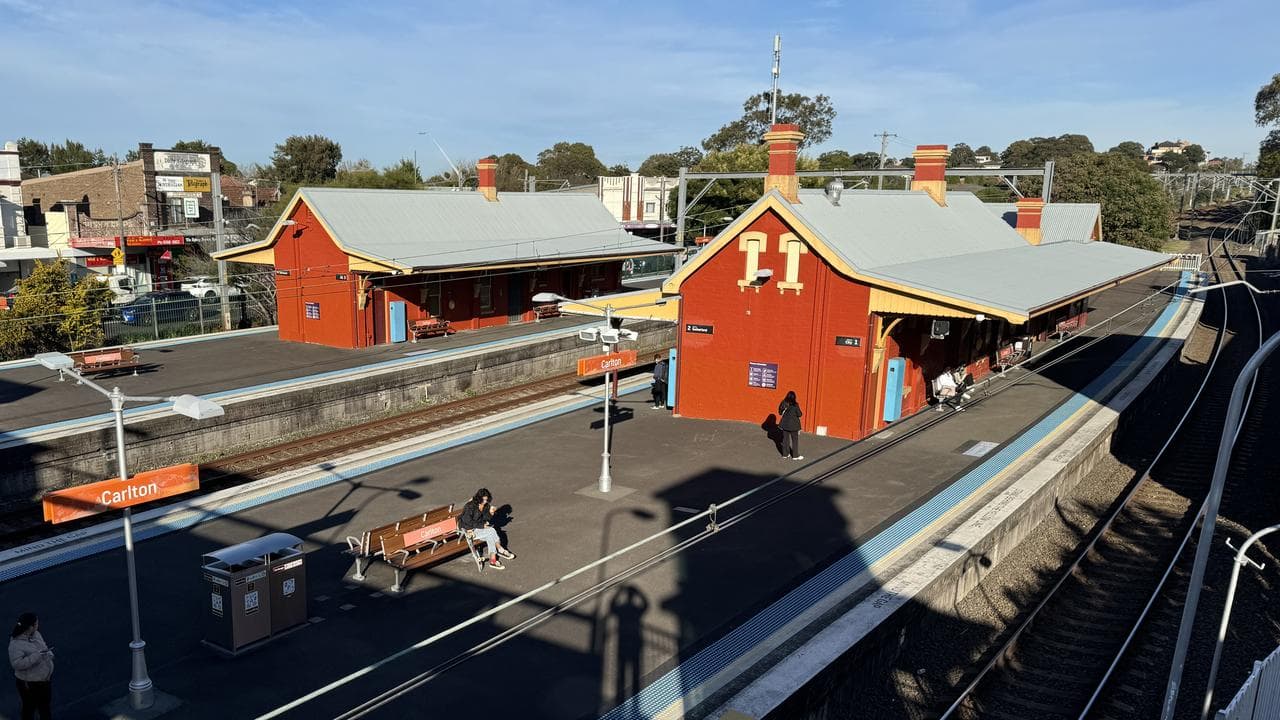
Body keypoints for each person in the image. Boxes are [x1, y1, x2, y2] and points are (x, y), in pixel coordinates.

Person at [9, 612, 53, 720]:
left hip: (43, 681)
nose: (38, 625)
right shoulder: (15, 644)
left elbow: (43, 646)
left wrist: (49, 654)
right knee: (29, 709)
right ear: (30, 627)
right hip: (29, 684)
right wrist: (37, 655)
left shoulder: (36, 634)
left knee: (45, 709)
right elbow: (17, 664)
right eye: (36, 623)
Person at [457, 488, 515, 570]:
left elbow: (486, 519)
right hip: (468, 530)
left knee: (490, 535)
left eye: (486, 500)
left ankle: (493, 560)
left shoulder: (486, 505)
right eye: (483, 500)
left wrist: (491, 513)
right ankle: (500, 549)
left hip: (478, 528)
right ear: (478, 498)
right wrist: (482, 526)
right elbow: (467, 522)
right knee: (491, 531)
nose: (485, 502)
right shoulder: (470, 506)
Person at [777, 391, 804, 460]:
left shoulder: (783, 403)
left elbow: (780, 412)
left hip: (785, 424)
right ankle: (795, 456)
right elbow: (799, 414)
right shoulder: (795, 405)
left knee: (785, 440)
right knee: (795, 441)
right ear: (794, 397)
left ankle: (785, 454)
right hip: (794, 425)